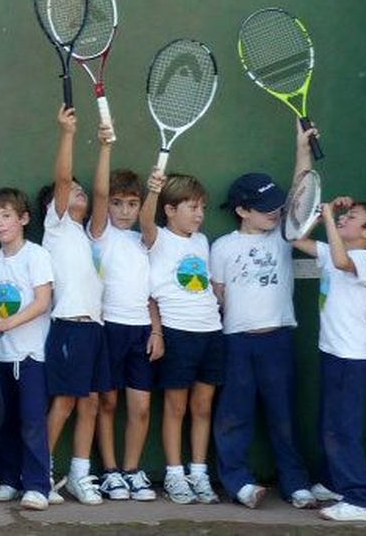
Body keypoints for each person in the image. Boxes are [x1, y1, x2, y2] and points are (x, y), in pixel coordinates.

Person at [210, 125, 316, 509]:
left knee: (284, 416)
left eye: (276, 206)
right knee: (234, 417)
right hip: (237, 342)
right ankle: (238, 482)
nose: (274, 212)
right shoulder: (222, 247)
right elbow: (218, 297)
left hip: (279, 340)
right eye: (264, 208)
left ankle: (296, 483)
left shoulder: (283, 236)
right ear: (241, 210)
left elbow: (301, 193)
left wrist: (301, 148)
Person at [291, 194, 366, 522]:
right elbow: (296, 238)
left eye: (353, 216)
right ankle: (334, 484)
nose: (345, 218)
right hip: (332, 353)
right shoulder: (332, 254)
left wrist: (331, 216)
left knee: (342, 430)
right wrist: (320, 216)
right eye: (345, 216)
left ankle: (362, 500)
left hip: (351, 358)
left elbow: (343, 261)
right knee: (330, 424)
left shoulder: (363, 259)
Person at [38, 107, 108, 505]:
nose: (77, 191)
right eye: (71, 192)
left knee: (92, 401)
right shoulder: (58, 225)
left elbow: (98, 193)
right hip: (67, 325)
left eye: (81, 191)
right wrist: (67, 133)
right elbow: (64, 178)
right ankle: (40, 471)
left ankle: (80, 473)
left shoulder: (87, 234)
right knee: (63, 403)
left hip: (94, 328)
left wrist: (104, 146)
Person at [87, 128, 162, 502]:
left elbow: (151, 294)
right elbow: (99, 195)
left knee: (142, 406)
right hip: (107, 328)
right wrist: (105, 148)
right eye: (118, 203)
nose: (125, 211)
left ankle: (133, 471)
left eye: (132, 204)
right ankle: (111, 472)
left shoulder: (146, 238)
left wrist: (156, 331)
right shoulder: (98, 233)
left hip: (140, 333)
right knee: (107, 402)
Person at [140, 170, 220, 505]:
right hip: (177, 332)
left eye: (202, 207)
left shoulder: (202, 242)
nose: (199, 214)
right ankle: (175, 474)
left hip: (212, 332)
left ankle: (198, 473)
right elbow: (145, 220)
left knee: (202, 407)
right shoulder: (156, 238)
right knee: (176, 407)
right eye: (191, 207)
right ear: (170, 209)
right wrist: (153, 191)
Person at [0, 187, 55, 511]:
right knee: (4, 420)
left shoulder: (36, 255)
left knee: (32, 421)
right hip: (0, 358)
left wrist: (8, 324)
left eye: (6, 216)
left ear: (24, 219)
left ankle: (37, 485)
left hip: (32, 357)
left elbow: (42, 302)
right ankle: (9, 480)